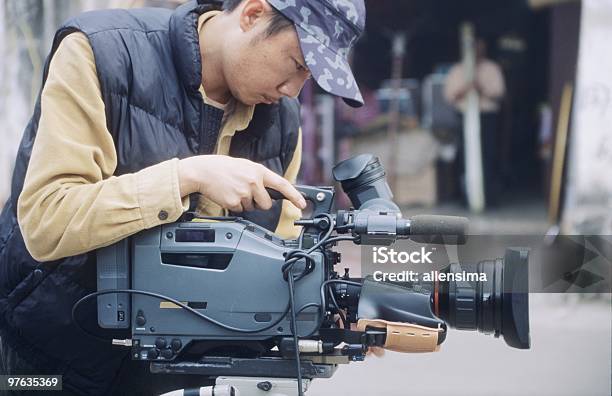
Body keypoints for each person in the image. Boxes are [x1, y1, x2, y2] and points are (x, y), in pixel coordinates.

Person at [0, 0, 366, 394]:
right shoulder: (101, 52)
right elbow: (46, 219)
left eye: (308, 76)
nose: (292, 90)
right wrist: (187, 176)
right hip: (47, 360)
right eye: (296, 63)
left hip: (186, 375)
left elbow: (286, 259)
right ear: (253, 14)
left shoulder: (282, 122)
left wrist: (326, 308)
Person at [444, 38, 506, 207]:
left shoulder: (491, 68)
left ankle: (489, 198)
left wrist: (481, 88)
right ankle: (466, 198)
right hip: (464, 117)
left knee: (488, 156)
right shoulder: (458, 69)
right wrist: (466, 88)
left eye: (480, 48)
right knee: (464, 157)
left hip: (487, 118)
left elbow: (499, 93)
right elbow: (449, 96)